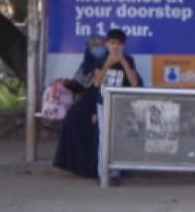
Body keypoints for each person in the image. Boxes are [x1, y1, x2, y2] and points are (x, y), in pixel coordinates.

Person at [52, 28, 142, 182]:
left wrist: (122, 62)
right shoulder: (99, 60)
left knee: (116, 138)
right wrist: (108, 63)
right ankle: (102, 172)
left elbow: (134, 83)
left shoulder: (129, 60)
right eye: (112, 43)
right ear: (108, 44)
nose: (115, 47)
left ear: (123, 45)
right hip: (100, 103)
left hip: (121, 105)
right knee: (102, 138)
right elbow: (96, 83)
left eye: (118, 44)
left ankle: (115, 171)